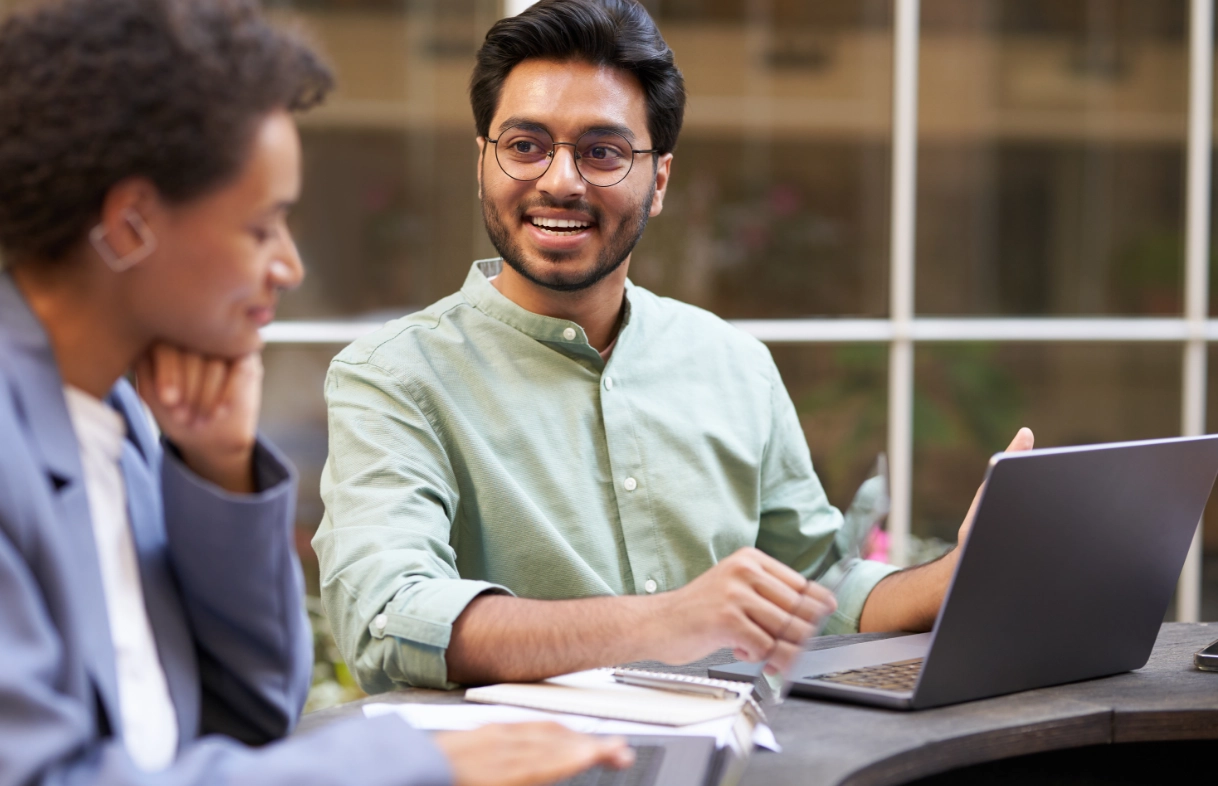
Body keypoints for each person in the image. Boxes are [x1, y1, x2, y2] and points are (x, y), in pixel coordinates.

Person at [314, 0, 1035, 693]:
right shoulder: (394, 376)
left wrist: (952, 577)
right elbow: (385, 620)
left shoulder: (733, 363)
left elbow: (815, 586)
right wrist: (668, 622)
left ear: (657, 180)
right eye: (525, 146)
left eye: (602, 151)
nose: (559, 181)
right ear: (483, 164)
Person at [0, 1, 633, 784]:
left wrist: (220, 471)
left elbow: (257, 711)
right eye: (263, 226)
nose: (289, 267)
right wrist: (417, 762)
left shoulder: (116, 422)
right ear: (130, 226)